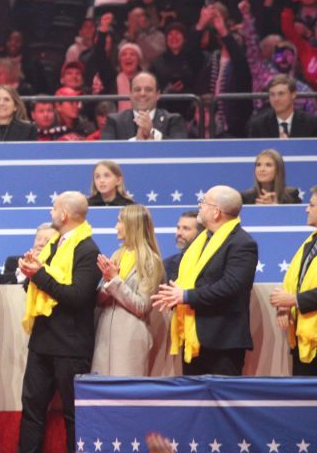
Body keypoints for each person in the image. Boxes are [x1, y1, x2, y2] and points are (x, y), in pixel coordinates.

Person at [18, 191, 101, 453]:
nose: (51, 213)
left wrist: (39, 275)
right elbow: (40, 288)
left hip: (71, 346)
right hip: (42, 342)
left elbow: (77, 296)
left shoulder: (88, 249)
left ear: (63, 214)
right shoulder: (55, 244)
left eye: (54, 208)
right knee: (31, 412)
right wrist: (32, 274)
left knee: (73, 416)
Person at [152, 185, 258, 375]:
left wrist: (186, 296)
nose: (200, 206)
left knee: (222, 401)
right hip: (194, 339)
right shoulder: (202, 240)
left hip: (221, 341)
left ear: (216, 211)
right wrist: (175, 295)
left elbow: (232, 286)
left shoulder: (242, 243)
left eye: (204, 202)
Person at [93, 204, 164, 376]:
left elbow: (142, 306)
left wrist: (115, 280)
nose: (116, 227)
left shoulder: (150, 261)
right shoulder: (117, 255)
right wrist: (107, 284)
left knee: (125, 393)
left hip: (130, 339)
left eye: (119, 222)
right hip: (104, 337)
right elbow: (100, 299)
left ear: (132, 225)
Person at [271, 186, 317, 376]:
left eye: (312, 205)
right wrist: (285, 306)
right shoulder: (311, 242)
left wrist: (294, 300)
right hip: (303, 338)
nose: (307, 209)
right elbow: (295, 282)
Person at [99, 72, 188, 140]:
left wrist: (152, 132)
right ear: (130, 94)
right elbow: (107, 153)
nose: (142, 94)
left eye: (148, 90)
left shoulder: (174, 120)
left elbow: (180, 150)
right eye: (137, 89)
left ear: (157, 95)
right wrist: (136, 141)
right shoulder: (114, 121)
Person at [247, 74, 317, 138]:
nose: (276, 99)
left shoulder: (311, 123)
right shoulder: (258, 125)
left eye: (281, 94)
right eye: (272, 94)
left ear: (293, 95)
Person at [163, 211, 203, 282]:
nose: (179, 233)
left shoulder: (209, 263)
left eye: (186, 228)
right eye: (178, 228)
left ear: (200, 233)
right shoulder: (167, 265)